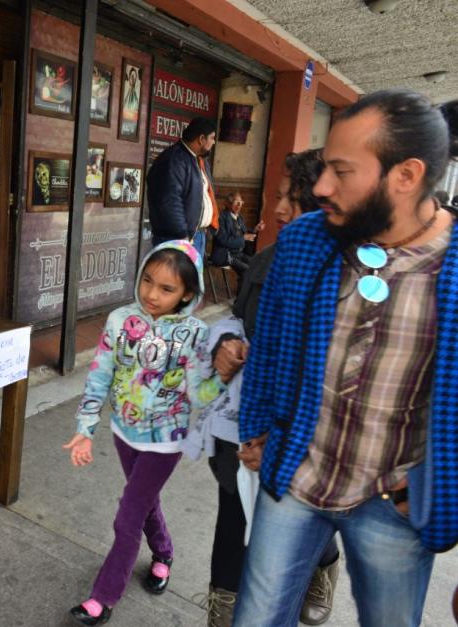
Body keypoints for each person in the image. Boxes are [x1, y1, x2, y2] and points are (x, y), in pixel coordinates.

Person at [234, 89, 458, 626]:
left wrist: (441, 484)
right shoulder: (307, 239)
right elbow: (271, 343)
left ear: (405, 176)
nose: (321, 187)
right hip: (295, 479)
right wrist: (259, 430)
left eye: (341, 171)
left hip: (393, 505)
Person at [185, 150, 340, 627]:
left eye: (286, 198)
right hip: (241, 421)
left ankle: (324, 563)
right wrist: (226, 344)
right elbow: (236, 318)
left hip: (303, 437)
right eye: (276, 197)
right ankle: (223, 606)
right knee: (232, 508)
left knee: (297, 523)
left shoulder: (352, 274)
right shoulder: (267, 259)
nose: (275, 210)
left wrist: (283, 433)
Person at [62, 240, 230, 626]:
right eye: (148, 281)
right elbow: (101, 375)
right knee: (145, 501)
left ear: (188, 292)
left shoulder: (196, 334)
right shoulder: (120, 319)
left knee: (128, 516)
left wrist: (221, 377)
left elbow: (199, 392)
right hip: (124, 433)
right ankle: (164, 552)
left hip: (166, 441)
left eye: (166, 288)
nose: (152, 294)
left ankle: (103, 597)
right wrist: (85, 428)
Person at [147, 117, 220, 254]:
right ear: (201, 139)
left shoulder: (196, 160)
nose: (214, 142)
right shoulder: (174, 160)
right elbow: (170, 202)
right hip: (177, 239)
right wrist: (182, 236)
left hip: (195, 237)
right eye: (212, 138)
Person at [208, 192, 264, 275]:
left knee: (258, 265)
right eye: (236, 202)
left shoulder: (239, 218)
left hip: (238, 254)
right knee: (247, 271)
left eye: (241, 202)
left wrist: (255, 230)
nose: (239, 205)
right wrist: (243, 238)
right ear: (228, 203)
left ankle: (247, 287)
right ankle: (244, 288)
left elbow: (243, 234)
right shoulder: (222, 218)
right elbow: (223, 240)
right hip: (225, 254)